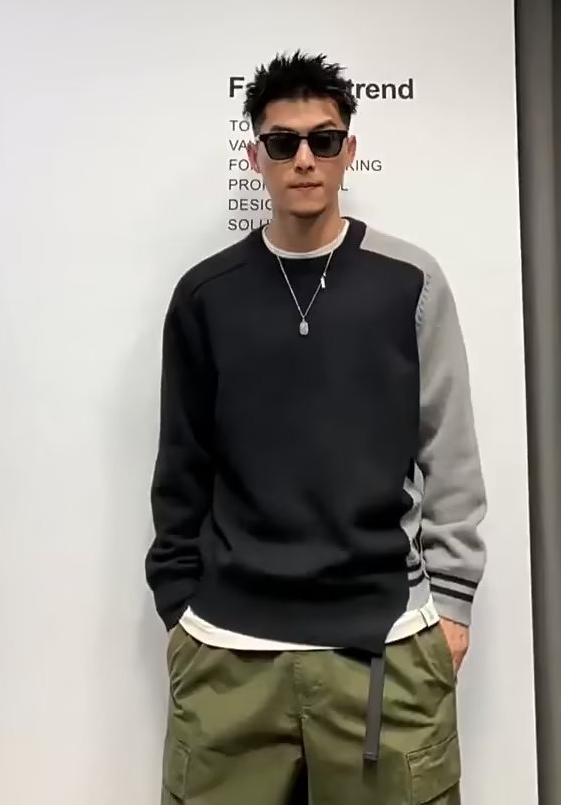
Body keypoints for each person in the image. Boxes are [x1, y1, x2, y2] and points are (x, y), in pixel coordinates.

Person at [145, 51, 487, 805]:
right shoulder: (206, 295)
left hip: (385, 644)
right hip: (229, 651)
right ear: (256, 156)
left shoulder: (409, 281)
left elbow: (449, 448)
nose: (304, 159)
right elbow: (181, 464)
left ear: (348, 151)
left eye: (323, 140)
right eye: (283, 142)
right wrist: (180, 609)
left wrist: (453, 603)